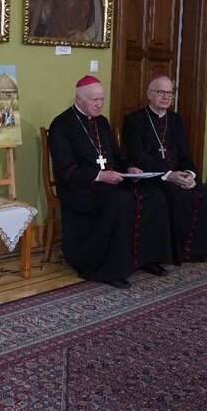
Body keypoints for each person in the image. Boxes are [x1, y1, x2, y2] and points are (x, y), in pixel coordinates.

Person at [48, 75, 171, 289]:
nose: (99, 105)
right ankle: (110, 267)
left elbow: (118, 155)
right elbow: (65, 169)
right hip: (80, 187)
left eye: (102, 99)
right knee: (121, 201)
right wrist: (100, 175)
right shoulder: (61, 125)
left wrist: (130, 168)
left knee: (154, 194)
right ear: (79, 100)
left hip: (110, 182)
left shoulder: (101, 122)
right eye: (94, 100)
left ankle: (146, 258)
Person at [123, 76, 207, 263]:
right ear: (149, 94)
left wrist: (189, 174)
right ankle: (176, 252)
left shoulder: (175, 120)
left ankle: (197, 251)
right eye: (160, 92)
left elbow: (184, 153)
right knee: (178, 197)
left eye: (170, 93)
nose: (166, 97)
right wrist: (168, 175)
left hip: (177, 175)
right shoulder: (134, 120)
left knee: (204, 195)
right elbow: (139, 156)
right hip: (153, 177)